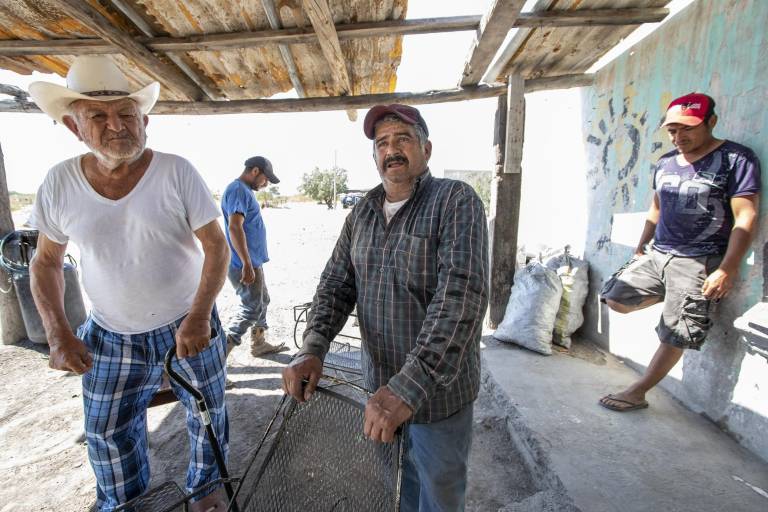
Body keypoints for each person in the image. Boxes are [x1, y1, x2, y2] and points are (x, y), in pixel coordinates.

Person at [27, 56, 231, 511]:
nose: (115, 125)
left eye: (126, 113)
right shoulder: (60, 183)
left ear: (145, 121)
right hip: (109, 333)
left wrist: (199, 317)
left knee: (207, 416)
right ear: (73, 126)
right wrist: (59, 333)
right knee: (106, 430)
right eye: (97, 116)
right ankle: (125, 503)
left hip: (188, 321)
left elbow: (217, 247)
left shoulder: (176, 171)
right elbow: (45, 263)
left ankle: (206, 492)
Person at [282, 104, 489, 511]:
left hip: (438, 399)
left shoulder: (455, 201)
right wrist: (313, 347)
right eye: (382, 143)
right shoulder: (361, 212)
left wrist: (408, 387)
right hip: (378, 389)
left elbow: (460, 299)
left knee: (440, 494)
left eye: (402, 139)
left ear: (426, 149)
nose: (391, 150)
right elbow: (335, 285)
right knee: (398, 487)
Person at [599, 92, 760, 412]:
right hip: (658, 253)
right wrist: (642, 245)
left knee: (677, 332)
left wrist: (727, 268)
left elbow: (746, 216)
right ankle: (680, 301)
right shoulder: (667, 162)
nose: (678, 136)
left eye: (687, 128)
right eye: (672, 130)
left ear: (711, 122)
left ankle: (638, 391)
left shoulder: (736, 159)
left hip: (698, 259)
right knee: (614, 296)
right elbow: (656, 206)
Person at [221, 156, 285, 357]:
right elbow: (234, 226)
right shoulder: (238, 189)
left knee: (262, 300)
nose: (265, 184)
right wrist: (247, 264)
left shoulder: (244, 191)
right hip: (243, 262)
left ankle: (258, 343)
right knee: (250, 308)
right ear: (255, 171)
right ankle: (217, 358)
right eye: (265, 179)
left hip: (251, 261)